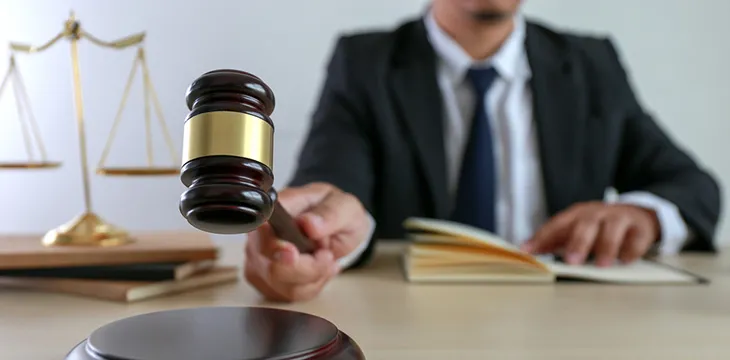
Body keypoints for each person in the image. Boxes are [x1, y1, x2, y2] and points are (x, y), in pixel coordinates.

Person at [243, 0, 722, 302]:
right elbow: (334, 187)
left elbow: (693, 186)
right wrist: (315, 230)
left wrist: (645, 215)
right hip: (410, 319)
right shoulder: (363, 62)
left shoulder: (592, 63)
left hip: (570, 321)